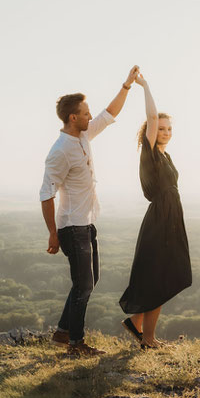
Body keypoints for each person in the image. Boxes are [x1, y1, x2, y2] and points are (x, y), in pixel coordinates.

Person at [40, 65, 140, 356]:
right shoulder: (59, 151)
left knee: (90, 281)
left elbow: (110, 114)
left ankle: (62, 332)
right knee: (83, 286)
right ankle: (76, 344)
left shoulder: (83, 136)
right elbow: (46, 194)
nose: (89, 116)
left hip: (87, 222)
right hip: (72, 226)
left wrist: (127, 85)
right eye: (85, 113)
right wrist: (52, 234)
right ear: (73, 118)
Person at [119, 73, 192, 349]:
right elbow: (150, 117)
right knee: (159, 278)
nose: (166, 132)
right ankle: (148, 340)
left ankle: (136, 324)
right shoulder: (149, 153)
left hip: (170, 220)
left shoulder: (165, 155)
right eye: (162, 129)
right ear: (151, 131)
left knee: (166, 275)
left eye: (169, 128)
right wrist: (145, 86)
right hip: (159, 221)